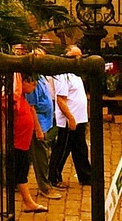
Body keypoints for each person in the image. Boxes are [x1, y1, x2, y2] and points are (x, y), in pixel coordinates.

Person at [48, 45, 91, 186]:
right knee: (62, 148)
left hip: (79, 118)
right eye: (74, 57)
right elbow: (60, 99)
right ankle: (54, 177)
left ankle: (86, 176)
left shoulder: (76, 74)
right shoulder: (62, 75)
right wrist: (70, 118)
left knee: (80, 148)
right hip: (69, 120)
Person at [23, 69, 61, 200]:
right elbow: (31, 107)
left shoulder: (41, 78)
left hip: (46, 122)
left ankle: (18, 182)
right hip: (38, 124)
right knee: (41, 157)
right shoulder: (31, 81)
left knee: (29, 156)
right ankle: (45, 187)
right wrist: (38, 129)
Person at [13, 73, 47, 212]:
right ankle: (29, 202)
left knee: (23, 169)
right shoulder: (15, 98)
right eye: (30, 82)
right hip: (17, 142)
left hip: (23, 142)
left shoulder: (22, 97)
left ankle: (29, 202)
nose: (34, 85)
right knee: (20, 172)